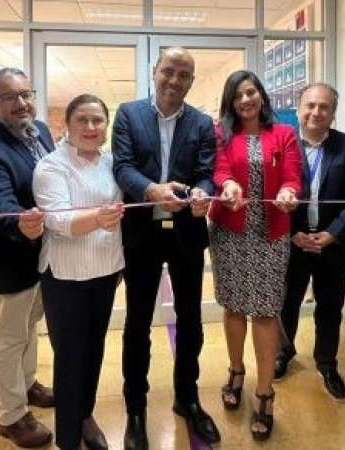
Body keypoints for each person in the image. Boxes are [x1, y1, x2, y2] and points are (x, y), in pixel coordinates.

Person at [112, 46, 220, 450]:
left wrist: (201, 192)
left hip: (185, 233)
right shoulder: (129, 114)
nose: (175, 80)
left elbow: (206, 173)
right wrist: (150, 190)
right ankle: (135, 410)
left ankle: (187, 398)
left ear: (191, 81)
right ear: (154, 71)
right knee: (137, 323)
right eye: (168, 71)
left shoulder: (202, 123)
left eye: (184, 74)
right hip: (141, 234)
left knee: (191, 320)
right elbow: (122, 166)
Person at [207, 70, 302, 440]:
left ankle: (264, 392)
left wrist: (290, 192)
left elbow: (292, 175)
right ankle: (236, 371)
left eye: (251, 92)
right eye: (237, 95)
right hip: (231, 232)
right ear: (230, 103)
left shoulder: (284, 133)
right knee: (234, 306)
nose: (245, 100)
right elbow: (219, 168)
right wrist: (228, 183)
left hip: (271, 234)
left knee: (265, 310)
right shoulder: (221, 134)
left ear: (261, 95)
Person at [0, 67, 56, 448]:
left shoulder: (40, 131)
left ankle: (27, 384)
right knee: (8, 337)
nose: (21, 103)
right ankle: (11, 416)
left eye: (25, 94)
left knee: (29, 326)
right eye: (9, 97)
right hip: (9, 257)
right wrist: (20, 221)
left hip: (41, 253)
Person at [32, 94, 124, 450]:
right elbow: (57, 220)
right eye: (82, 120)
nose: (90, 127)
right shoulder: (51, 166)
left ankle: (85, 415)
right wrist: (98, 217)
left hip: (105, 271)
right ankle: (68, 439)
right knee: (70, 358)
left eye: (97, 120)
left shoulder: (111, 162)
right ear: (67, 125)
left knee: (95, 350)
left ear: (106, 126)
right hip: (65, 277)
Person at [275, 83, 345, 403]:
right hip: (292, 243)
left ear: (333, 113)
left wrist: (333, 234)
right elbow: (270, 195)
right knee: (286, 305)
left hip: (332, 245)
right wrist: (291, 233)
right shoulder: (282, 143)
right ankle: (283, 353)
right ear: (299, 109)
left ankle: (327, 363)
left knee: (330, 308)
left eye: (324, 107)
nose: (316, 112)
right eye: (310, 105)